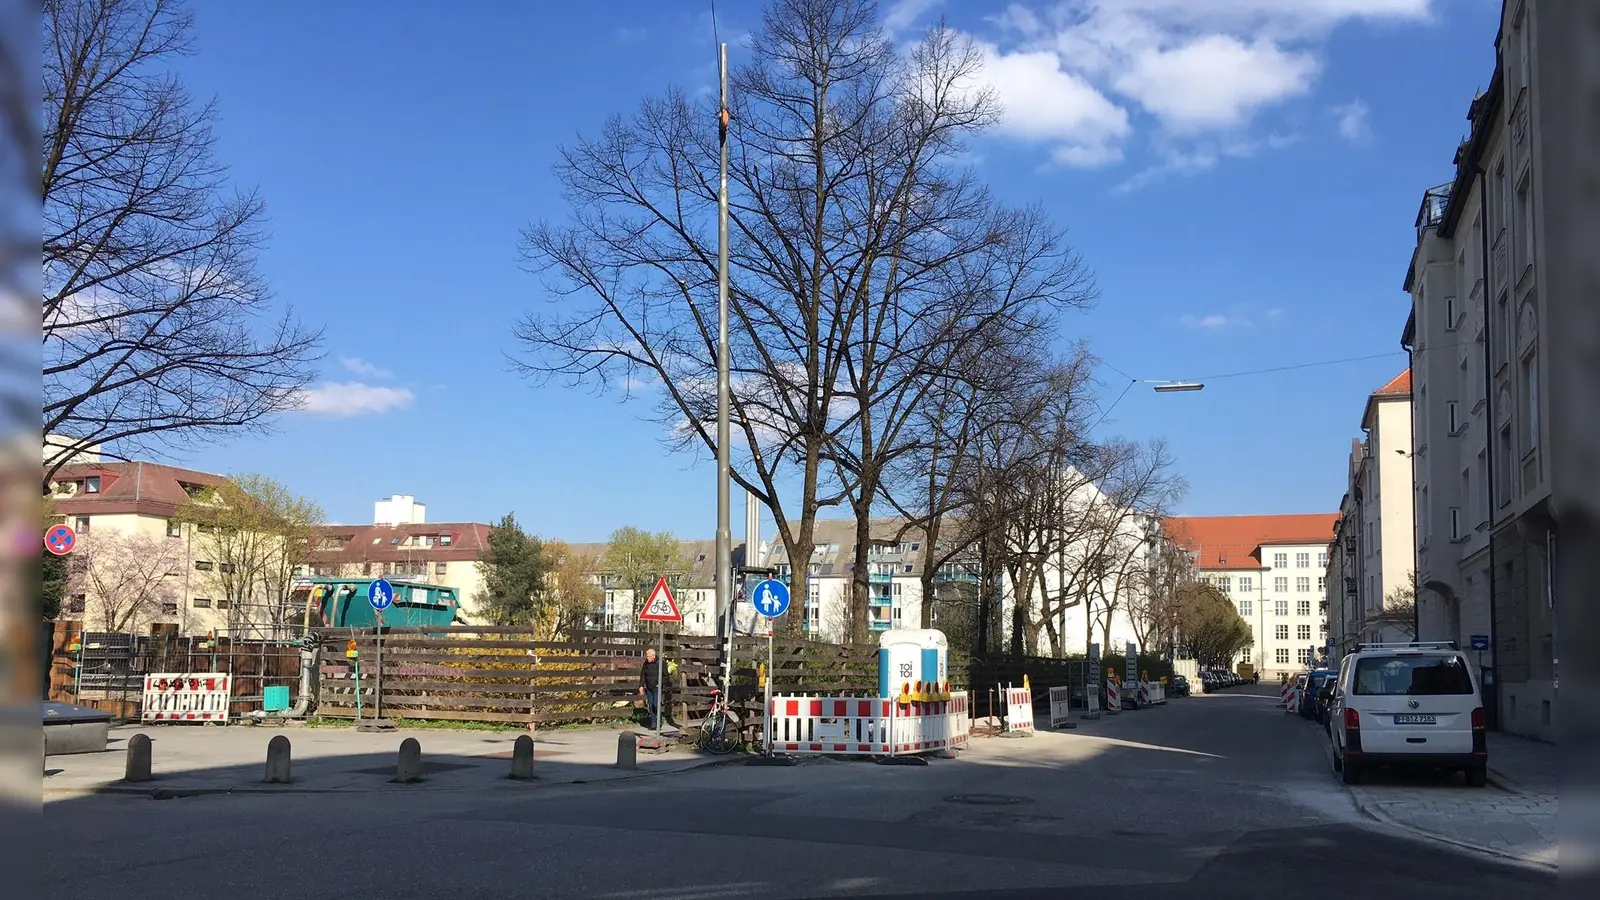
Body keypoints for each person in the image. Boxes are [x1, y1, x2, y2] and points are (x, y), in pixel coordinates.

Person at [638, 647, 664, 730]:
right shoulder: (646, 663)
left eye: (648, 656)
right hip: (649, 687)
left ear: (653, 656)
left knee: (655, 705)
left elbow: (665, 675)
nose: (647, 658)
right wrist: (641, 686)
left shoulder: (660, 663)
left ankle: (659, 721)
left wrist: (661, 684)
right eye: (647, 656)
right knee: (650, 705)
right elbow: (643, 674)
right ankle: (653, 723)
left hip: (657, 687)